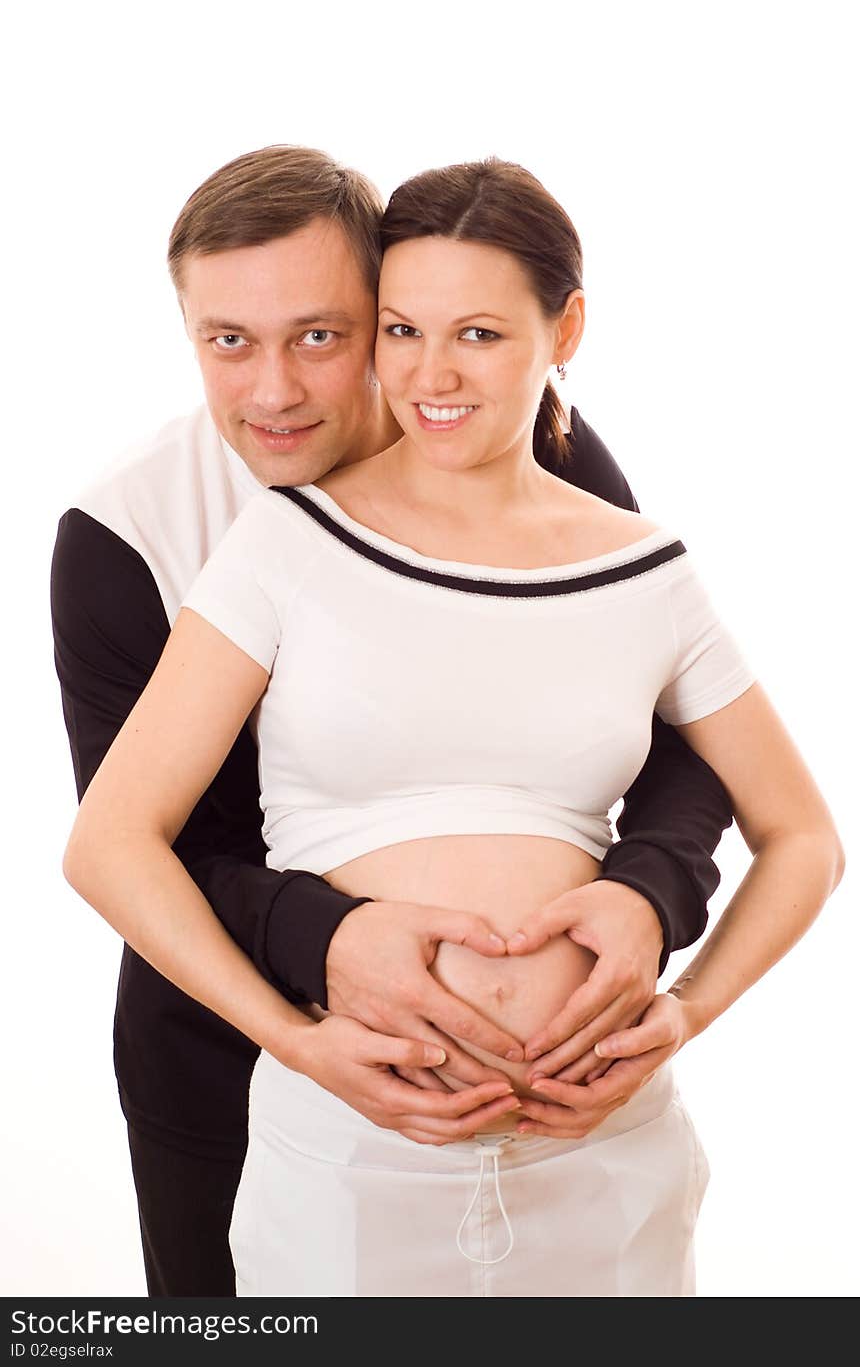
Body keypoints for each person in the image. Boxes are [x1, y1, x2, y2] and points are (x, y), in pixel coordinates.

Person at [53, 147, 744, 1296]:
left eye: (321, 335)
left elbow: (677, 723)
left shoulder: (527, 444)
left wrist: (647, 892)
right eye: (228, 340)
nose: (273, 391)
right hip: (222, 1047)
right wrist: (325, 943)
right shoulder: (125, 535)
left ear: (383, 312)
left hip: (554, 1106)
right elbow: (148, 841)